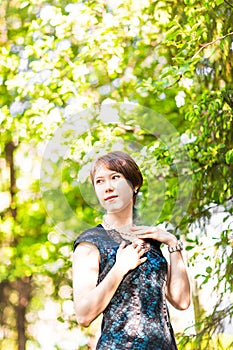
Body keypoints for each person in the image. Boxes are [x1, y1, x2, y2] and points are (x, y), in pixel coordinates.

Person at [72, 151, 190, 350]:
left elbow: (182, 301)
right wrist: (120, 268)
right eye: (99, 181)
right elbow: (83, 315)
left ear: (134, 185)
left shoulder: (152, 241)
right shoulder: (90, 242)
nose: (107, 187)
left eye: (115, 177)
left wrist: (172, 244)